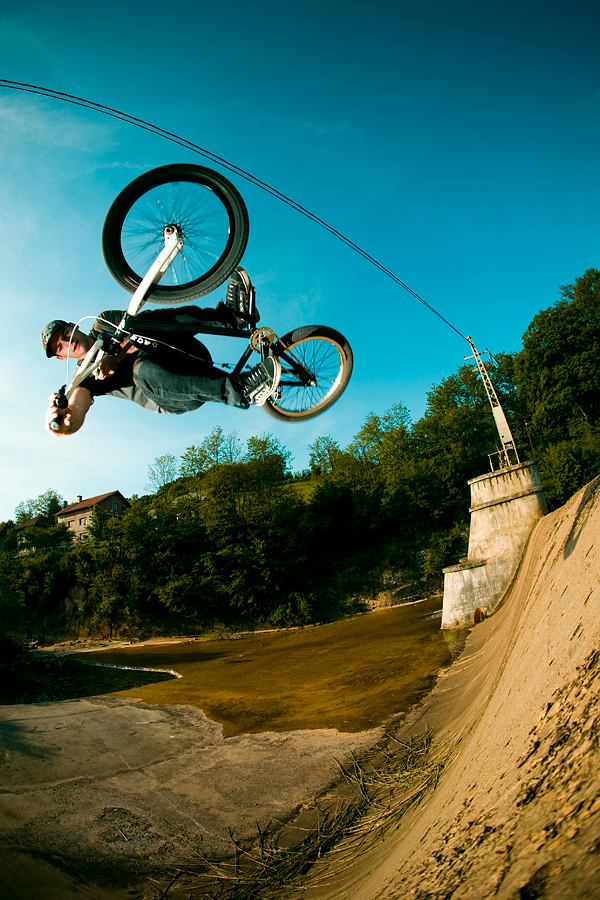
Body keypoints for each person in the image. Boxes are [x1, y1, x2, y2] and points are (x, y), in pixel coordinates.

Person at [42, 269, 281, 436]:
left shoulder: (104, 321)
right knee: (142, 369)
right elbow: (80, 401)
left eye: (64, 334)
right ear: (62, 357)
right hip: (172, 394)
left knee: (143, 322)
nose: (66, 342)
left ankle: (231, 317)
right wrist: (70, 419)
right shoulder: (85, 376)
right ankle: (241, 390)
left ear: (73, 326)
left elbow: (133, 330)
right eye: (60, 347)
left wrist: (113, 354)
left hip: (187, 351)